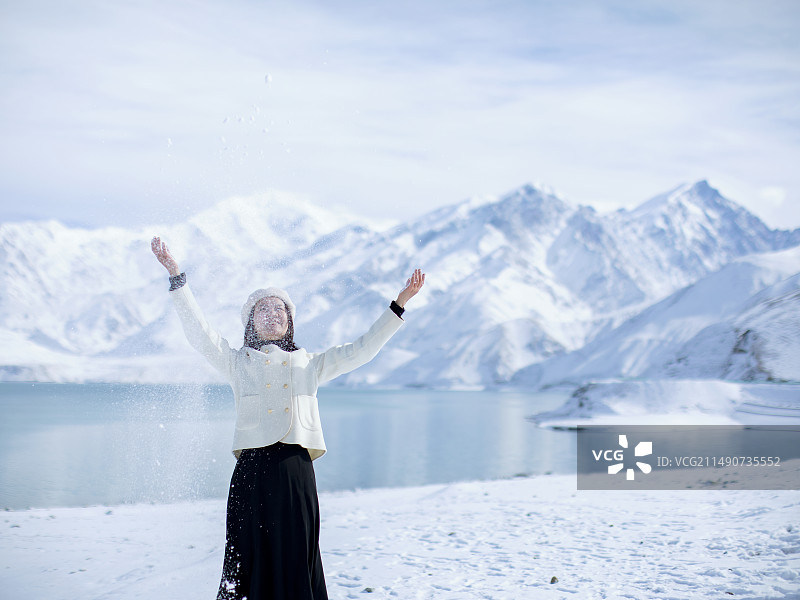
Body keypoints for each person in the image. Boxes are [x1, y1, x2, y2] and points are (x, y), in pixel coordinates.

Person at [150, 236, 425, 600]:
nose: (273, 314)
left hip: (296, 472)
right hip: (250, 473)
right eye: (263, 310)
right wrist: (176, 277)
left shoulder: (311, 363)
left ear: (290, 321)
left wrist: (399, 304)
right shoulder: (237, 362)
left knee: (297, 555)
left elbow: (362, 349)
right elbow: (200, 335)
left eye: (280, 310)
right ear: (251, 322)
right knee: (246, 556)